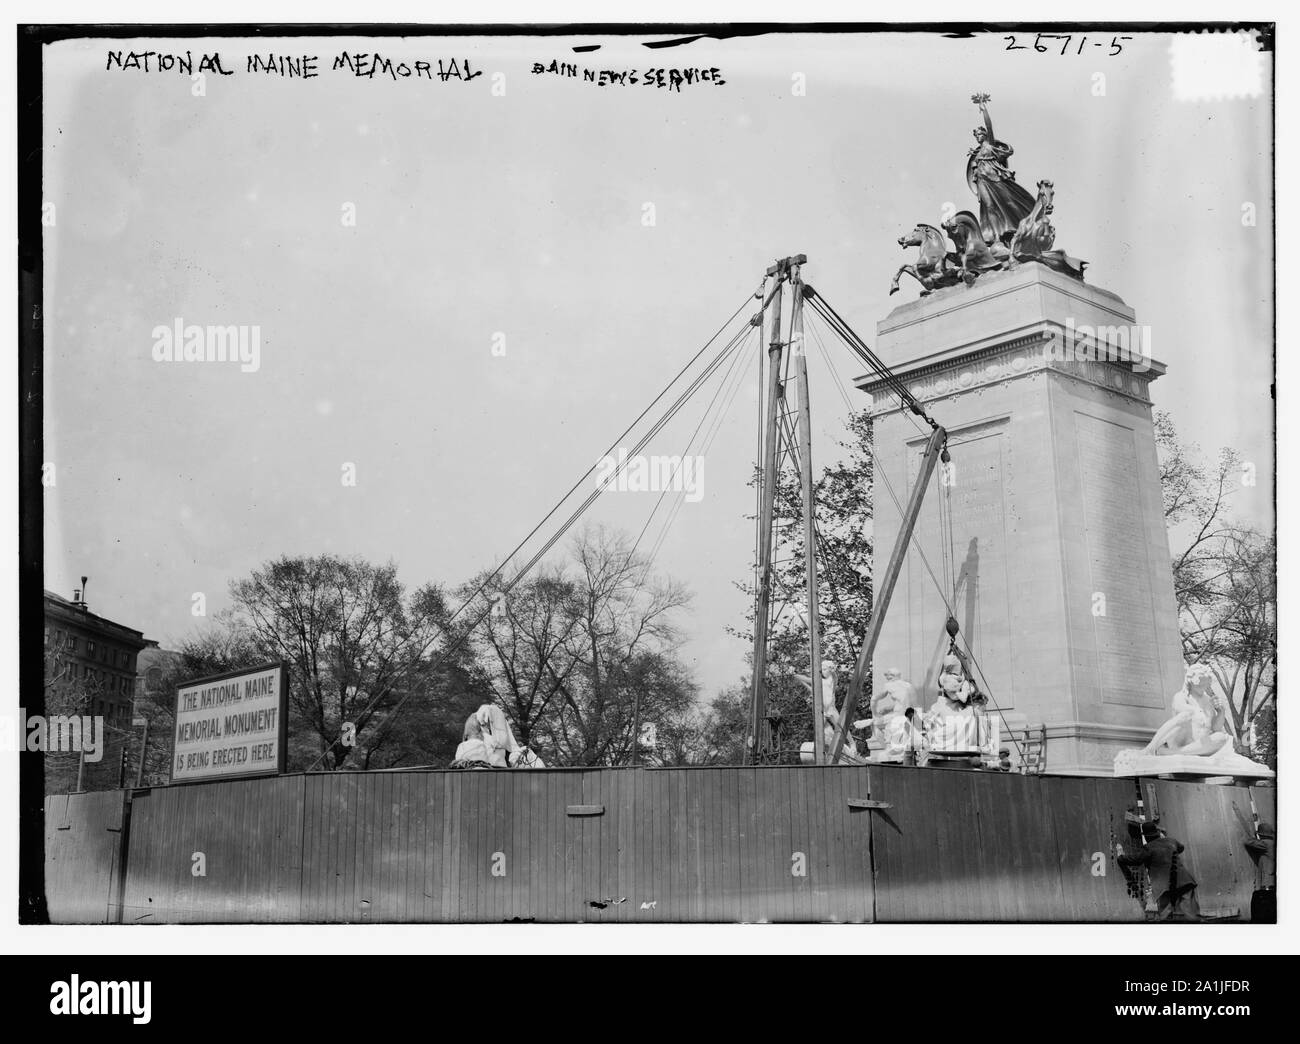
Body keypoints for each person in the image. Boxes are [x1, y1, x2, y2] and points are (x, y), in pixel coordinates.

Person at [966, 94, 1037, 247]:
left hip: (995, 178)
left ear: (984, 135)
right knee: (989, 207)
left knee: (1009, 202)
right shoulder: (977, 153)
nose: (977, 136)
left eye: (980, 134)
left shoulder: (990, 144)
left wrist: (983, 109)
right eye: (976, 135)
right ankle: (996, 237)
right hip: (982, 181)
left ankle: (1024, 227)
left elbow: (989, 126)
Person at [1116, 822, 1200, 922]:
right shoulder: (1171, 841)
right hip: (1184, 882)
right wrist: (1165, 839)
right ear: (1157, 832)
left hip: (1165, 887)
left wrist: (1120, 856)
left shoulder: (1148, 848)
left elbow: (1135, 860)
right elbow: (1181, 848)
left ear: (1146, 836)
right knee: (1192, 915)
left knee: (1165, 916)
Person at [1244, 822, 1276, 923]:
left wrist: (1253, 835)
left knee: (1260, 915)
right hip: (1272, 885)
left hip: (1266, 887)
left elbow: (1247, 842)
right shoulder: (1272, 843)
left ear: (1261, 835)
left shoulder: (1266, 843)